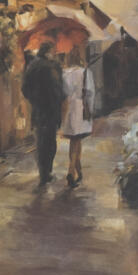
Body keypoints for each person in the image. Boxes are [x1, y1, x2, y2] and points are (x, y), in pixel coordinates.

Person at [20, 42, 65, 189]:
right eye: (53, 50)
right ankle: (47, 172)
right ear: (47, 52)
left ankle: (43, 173)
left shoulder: (32, 66)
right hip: (50, 109)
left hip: (38, 109)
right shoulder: (51, 68)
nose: (54, 53)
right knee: (50, 142)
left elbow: (25, 88)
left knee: (41, 141)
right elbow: (58, 90)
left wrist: (34, 99)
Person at [60, 44, 96, 186]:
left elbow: (62, 93)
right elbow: (90, 93)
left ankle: (79, 172)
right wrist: (90, 111)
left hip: (68, 108)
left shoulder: (63, 73)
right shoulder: (85, 72)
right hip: (80, 107)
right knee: (76, 140)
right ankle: (70, 171)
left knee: (75, 140)